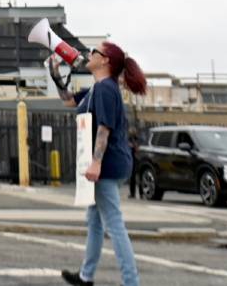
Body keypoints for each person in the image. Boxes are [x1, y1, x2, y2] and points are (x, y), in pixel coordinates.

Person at [52, 40, 148, 286]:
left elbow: (104, 128)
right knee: (94, 220)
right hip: (108, 163)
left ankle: (131, 281)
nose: (89, 54)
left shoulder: (106, 89)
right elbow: (68, 101)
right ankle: (86, 275)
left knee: (113, 224)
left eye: (95, 51)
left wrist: (95, 163)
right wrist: (55, 75)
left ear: (105, 60)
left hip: (107, 164)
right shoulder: (98, 88)